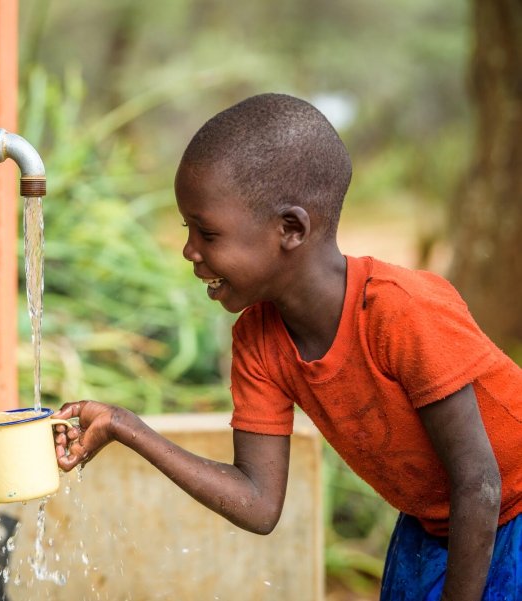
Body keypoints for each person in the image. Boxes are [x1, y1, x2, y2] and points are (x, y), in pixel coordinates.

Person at [52, 93, 522, 600]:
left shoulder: (402, 311)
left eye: (207, 233)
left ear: (290, 230)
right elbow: (257, 503)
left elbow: (479, 484)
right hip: (437, 525)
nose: (190, 251)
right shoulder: (258, 340)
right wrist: (129, 428)